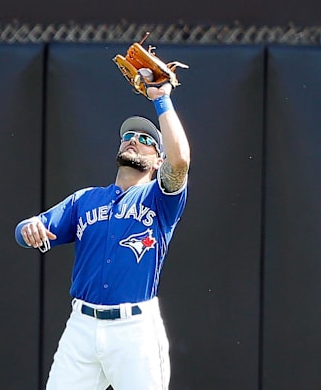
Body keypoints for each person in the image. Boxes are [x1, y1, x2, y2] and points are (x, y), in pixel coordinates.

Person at [14, 82, 190, 390]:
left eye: (145, 139)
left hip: (135, 330)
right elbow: (33, 227)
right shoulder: (85, 200)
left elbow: (181, 162)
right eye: (128, 137)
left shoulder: (160, 199)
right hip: (82, 326)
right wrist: (27, 227)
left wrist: (161, 101)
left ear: (158, 160)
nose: (133, 141)